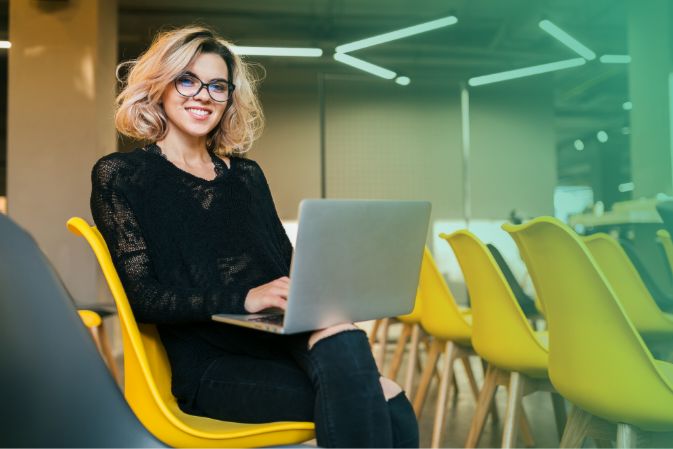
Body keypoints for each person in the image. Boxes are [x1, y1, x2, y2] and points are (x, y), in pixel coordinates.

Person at [90, 26, 418, 448]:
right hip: (211, 364)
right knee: (385, 402)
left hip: (279, 340)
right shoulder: (123, 176)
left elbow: (283, 264)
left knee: (344, 335)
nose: (203, 95)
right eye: (187, 80)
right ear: (160, 87)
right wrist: (245, 297)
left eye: (218, 86)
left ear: (229, 99)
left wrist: (317, 295)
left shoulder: (246, 175)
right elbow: (144, 298)